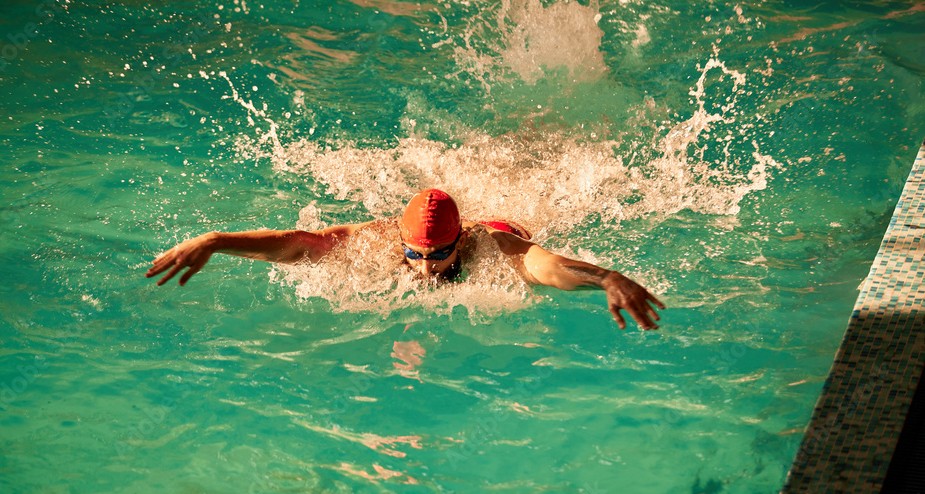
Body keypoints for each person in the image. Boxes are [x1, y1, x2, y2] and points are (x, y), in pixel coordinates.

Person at [146, 189, 665, 330]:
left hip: (514, 220)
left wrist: (606, 278)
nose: (426, 268)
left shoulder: (489, 245)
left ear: (458, 243)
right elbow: (300, 243)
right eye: (415, 254)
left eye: (438, 255)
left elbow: (542, 266)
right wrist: (216, 239)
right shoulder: (379, 239)